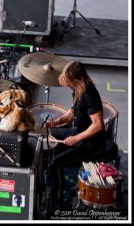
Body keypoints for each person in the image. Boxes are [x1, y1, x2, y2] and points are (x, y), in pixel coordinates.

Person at [45, 61, 106, 211]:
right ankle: (51, 181)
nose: (67, 84)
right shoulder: (77, 88)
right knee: (47, 135)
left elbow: (98, 125)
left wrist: (76, 139)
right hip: (78, 133)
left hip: (91, 143)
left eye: (68, 81)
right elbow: (73, 112)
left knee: (54, 164)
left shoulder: (89, 94)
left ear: (76, 78)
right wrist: (57, 122)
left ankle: (56, 203)